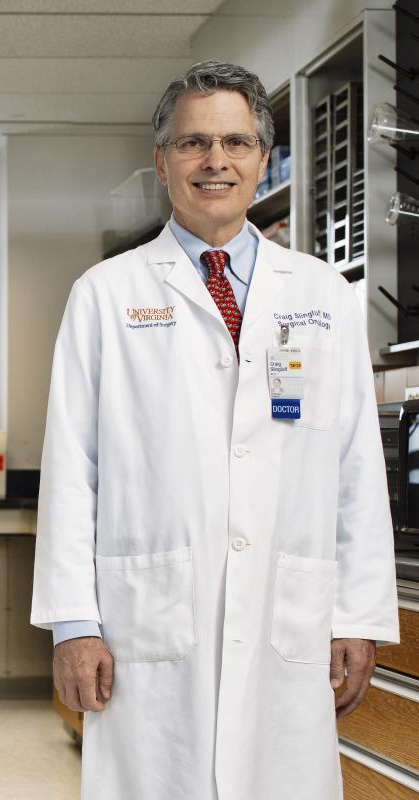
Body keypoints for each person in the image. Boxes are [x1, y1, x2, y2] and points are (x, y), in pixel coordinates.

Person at [31, 61, 398, 799]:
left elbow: (357, 466)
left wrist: (358, 613)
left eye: (235, 141)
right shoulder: (107, 294)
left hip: (285, 617)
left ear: (263, 158)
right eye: (193, 143)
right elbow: (73, 466)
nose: (215, 161)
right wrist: (74, 622)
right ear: (162, 159)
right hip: (150, 623)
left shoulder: (323, 295)